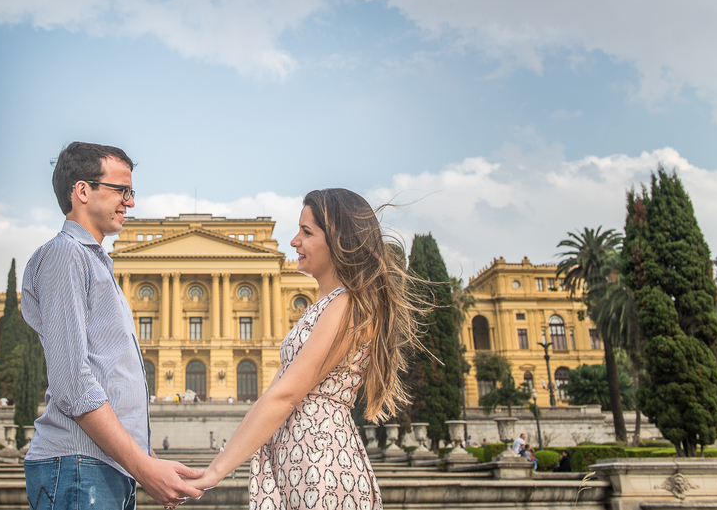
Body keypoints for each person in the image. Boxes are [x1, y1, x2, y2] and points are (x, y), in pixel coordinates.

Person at [185, 189, 421, 510]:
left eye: (306, 232)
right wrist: (211, 469)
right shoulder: (328, 305)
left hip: (321, 462)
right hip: (300, 460)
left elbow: (286, 396)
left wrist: (215, 473)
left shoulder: (348, 304)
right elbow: (271, 397)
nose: (294, 241)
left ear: (339, 240)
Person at [22, 143, 202, 510]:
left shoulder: (96, 263)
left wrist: (148, 461)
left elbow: (109, 379)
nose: (129, 202)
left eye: (131, 192)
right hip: (78, 465)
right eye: (121, 190)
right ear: (82, 190)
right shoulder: (66, 255)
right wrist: (144, 468)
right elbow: (73, 386)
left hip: (101, 466)